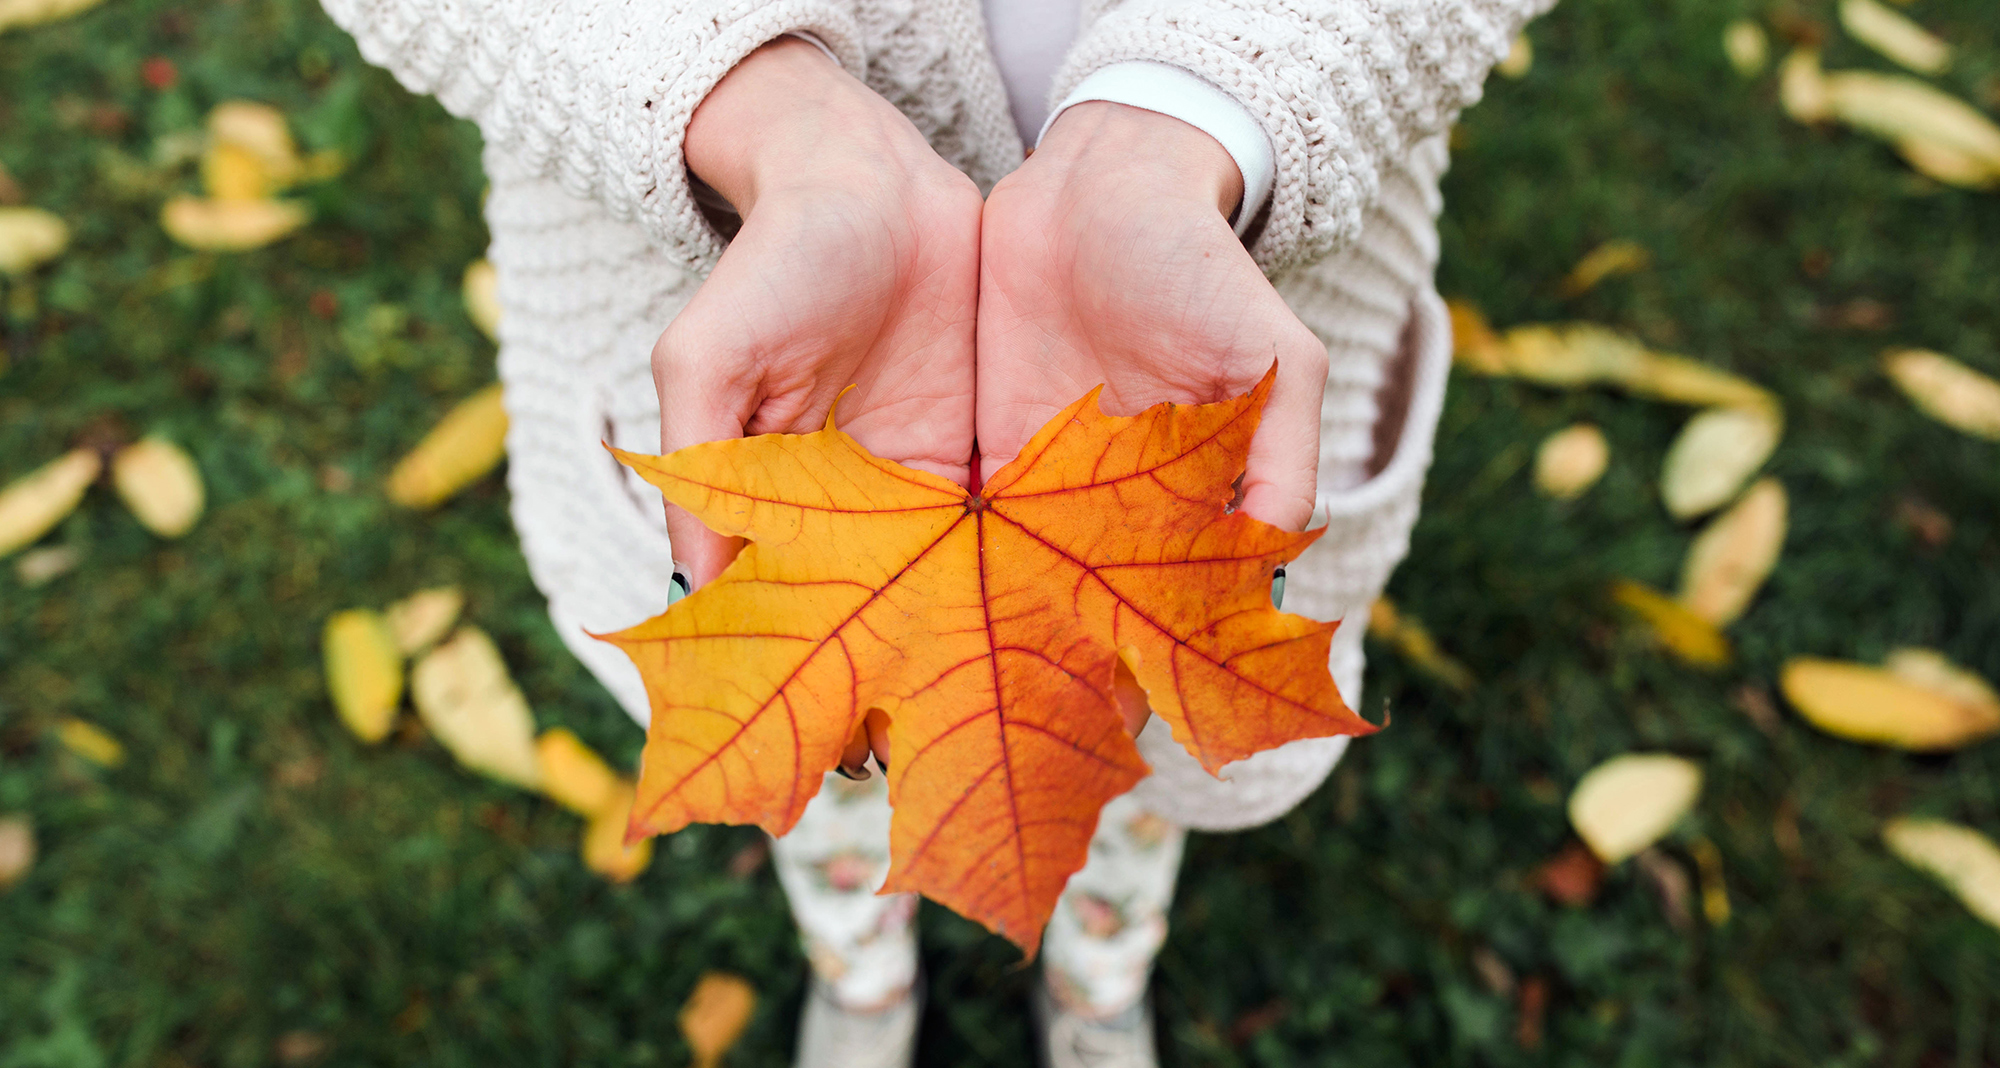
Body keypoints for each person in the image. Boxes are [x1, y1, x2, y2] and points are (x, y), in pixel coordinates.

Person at [319, 1, 1550, 1064]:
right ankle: (866, 976)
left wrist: (1190, 119)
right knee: (820, 769)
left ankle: (1093, 979)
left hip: (1187, 323)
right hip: (750, 326)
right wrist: (760, 111)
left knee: (1137, 767)